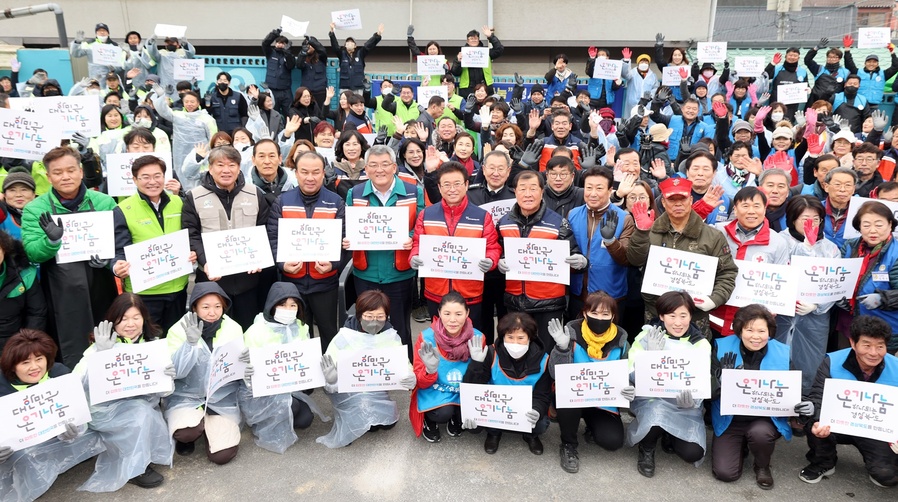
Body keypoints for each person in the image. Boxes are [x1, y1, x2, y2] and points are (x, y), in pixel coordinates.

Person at [21, 147, 118, 368]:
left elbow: (120, 241)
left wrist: (108, 262)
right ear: (48, 177)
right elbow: (32, 252)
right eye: (57, 172)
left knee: (107, 333)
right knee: (70, 342)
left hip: (100, 281)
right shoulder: (35, 209)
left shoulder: (104, 202)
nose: (65, 177)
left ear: (81, 171)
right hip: (61, 289)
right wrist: (52, 241)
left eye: (71, 170)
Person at [73, 294, 175, 491]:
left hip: (139, 405)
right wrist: (99, 356)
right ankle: (135, 469)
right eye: (124, 318)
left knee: (143, 412)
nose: (130, 324)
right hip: (104, 410)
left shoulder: (152, 344)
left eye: (136, 317)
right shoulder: (102, 344)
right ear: (114, 320)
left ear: (144, 318)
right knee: (140, 413)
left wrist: (168, 376)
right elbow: (78, 381)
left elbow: (165, 392)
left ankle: (138, 455)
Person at [710, 304, 814, 489]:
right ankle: (740, 444)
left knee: (760, 434)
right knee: (725, 473)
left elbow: (792, 391)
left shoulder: (782, 352)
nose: (755, 336)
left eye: (761, 330)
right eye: (749, 330)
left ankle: (762, 465)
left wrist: (803, 406)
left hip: (765, 420)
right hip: (730, 419)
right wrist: (719, 381)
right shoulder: (721, 346)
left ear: (770, 331)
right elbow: (708, 393)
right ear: (739, 330)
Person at [0, 329, 105, 501]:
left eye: (39, 359)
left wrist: (75, 429)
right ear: (13, 365)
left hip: (54, 438)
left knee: (101, 427)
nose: (35, 367)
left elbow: (77, 410)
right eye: (25, 362)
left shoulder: (60, 373)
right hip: (18, 449)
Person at [626, 177, 738, 337]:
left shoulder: (712, 236)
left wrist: (714, 299)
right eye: (672, 200)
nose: (678, 204)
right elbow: (634, 260)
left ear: (691, 200)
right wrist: (641, 233)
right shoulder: (651, 231)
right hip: (656, 314)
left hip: (695, 316)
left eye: (683, 199)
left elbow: (727, 273)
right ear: (663, 203)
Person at [181, 146, 273, 330]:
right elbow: (191, 234)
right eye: (220, 165)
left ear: (239, 168)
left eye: (232, 165)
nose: (226, 170)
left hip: (249, 281)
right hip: (211, 282)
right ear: (210, 167)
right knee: (213, 333)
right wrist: (205, 261)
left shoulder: (254, 194)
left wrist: (260, 256)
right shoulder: (195, 197)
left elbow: (265, 230)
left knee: (249, 332)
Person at [343, 146, 424, 353]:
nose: (380, 170)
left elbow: (423, 225)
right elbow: (349, 226)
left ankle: (404, 374)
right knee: (368, 326)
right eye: (373, 165)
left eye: (385, 164)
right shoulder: (356, 193)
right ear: (366, 169)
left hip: (400, 273)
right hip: (366, 272)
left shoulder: (414, 191)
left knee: (400, 328)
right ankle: (372, 372)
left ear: (394, 167)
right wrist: (347, 239)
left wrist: (412, 237)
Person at [799, 315, 898, 487]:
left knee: (886, 477)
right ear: (853, 343)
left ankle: (878, 465)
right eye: (867, 345)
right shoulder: (832, 361)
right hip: (838, 425)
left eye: (880, 346)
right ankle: (824, 462)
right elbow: (817, 396)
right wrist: (812, 410)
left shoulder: (896, 367)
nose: (874, 353)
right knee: (813, 420)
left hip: (875, 428)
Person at [623, 291, 711, 477]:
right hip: (651, 399)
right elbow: (631, 375)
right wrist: (650, 357)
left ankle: (669, 434)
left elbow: (702, 381)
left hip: (682, 406)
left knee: (692, 453)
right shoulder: (646, 337)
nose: (678, 322)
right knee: (656, 413)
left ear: (691, 316)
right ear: (661, 316)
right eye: (672, 316)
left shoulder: (701, 344)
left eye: (683, 315)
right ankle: (647, 448)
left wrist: (693, 401)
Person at [496, 171, 587, 350]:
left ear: (542, 191)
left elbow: (572, 254)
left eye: (533, 189)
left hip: (549, 303)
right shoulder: (504, 222)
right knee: (517, 350)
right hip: (515, 301)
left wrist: (579, 261)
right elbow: (499, 251)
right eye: (522, 189)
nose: (527, 194)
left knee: (547, 352)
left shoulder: (558, 223)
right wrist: (500, 262)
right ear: (515, 191)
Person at [317, 290, 416, 448]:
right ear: (359, 314)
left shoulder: (391, 337)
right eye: (369, 316)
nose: (374, 322)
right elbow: (327, 371)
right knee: (356, 418)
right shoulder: (344, 338)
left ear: (387, 316)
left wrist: (410, 376)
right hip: (347, 392)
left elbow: (403, 364)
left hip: (375, 388)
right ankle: (348, 417)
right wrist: (332, 380)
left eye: (380, 317)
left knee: (384, 424)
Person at [267, 151, 345, 350]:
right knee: (298, 333)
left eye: (316, 172)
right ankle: (305, 377)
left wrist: (333, 264)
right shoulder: (283, 202)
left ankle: (331, 373)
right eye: (304, 172)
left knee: (329, 331)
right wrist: (282, 264)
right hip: (293, 284)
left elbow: (344, 241)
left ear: (323, 173)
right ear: (296, 173)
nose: (310, 177)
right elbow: (273, 238)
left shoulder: (336, 202)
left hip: (325, 283)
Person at [240, 282, 329, 453]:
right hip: (261, 392)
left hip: (290, 387)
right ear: (272, 305)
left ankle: (280, 414)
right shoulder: (256, 331)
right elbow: (248, 370)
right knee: (291, 407)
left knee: (305, 420)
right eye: (282, 304)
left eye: (293, 305)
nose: (288, 309)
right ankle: (263, 419)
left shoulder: (302, 327)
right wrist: (247, 370)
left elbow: (305, 358)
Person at [410, 162, 500, 330]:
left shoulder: (482, 216)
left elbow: (493, 248)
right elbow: (418, 244)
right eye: (447, 185)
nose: (452, 189)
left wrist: (490, 260)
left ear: (466, 185)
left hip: (470, 294)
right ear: (439, 187)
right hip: (436, 292)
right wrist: (414, 256)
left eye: (457, 184)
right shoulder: (427, 214)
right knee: (440, 339)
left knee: (472, 340)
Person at [548, 292, 630, 473]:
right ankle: (568, 444)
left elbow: (627, 374)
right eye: (594, 313)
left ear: (613, 316)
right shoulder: (570, 332)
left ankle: (592, 426)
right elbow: (554, 373)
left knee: (612, 442)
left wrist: (630, 388)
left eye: (605, 314)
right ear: (585, 313)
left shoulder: (621, 339)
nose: (599, 318)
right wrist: (562, 348)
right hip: (573, 398)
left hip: (603, 400)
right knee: (566, 396)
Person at [111, 155, 194, 333]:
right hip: (145, 293)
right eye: (145, 177)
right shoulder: (123, 209)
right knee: (149, 340)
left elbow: (189, 236)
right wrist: (117, 265)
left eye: (157, 176)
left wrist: (192, 252)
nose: (152, 182)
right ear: (134, 179)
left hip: (178, 287)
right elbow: (119, 250)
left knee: (176, 339)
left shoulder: (178, 202)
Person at [164, 282, 243, 464]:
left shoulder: (234, 328)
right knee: (186, 432)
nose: (212, 312)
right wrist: (189, 344)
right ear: (194, 308)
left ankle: (210, 429)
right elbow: (176, 371)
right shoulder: (178, 330)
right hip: (186, 396)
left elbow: (237, 370)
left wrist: (246, 362)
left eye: (217, 307)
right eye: (205, 307)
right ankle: (193, 433)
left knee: (222, 455)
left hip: (222, 397)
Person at [777, 196, 842, 397]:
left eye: (816, 219)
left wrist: (816, 304)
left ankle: (804, 404)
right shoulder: (778, 241)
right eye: (805, 218)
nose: (811, 224)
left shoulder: (830, 248)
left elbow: (835, 284)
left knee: (810, 359)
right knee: (778, 356)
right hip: (781, 313)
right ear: (793, 218)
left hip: (815, 317)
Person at [462, 312, 551, 455]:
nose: (515, 343)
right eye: (510, 337)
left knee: (540, 424)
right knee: (473, 426)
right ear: (502, 337)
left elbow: (543, 395)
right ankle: (493, 433)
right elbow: (472, 389)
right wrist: (476, 364)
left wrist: (537, 410)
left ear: (530, 338)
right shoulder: (490, 353)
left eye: (521, 338)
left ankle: (530, 435)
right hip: (495, 409)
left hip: (525, 411)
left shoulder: (544, 360)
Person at [712, 187, 791, 336]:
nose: (751, 211)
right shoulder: (717, 231)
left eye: (757, 206)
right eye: (745, 206)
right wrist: (704, 207)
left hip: (751, 322)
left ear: (765, 208)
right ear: (735, 209)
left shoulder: (778, 242)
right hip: (715, 314)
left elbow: (781, 282)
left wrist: (774, 305)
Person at [410, 291, 483, 442]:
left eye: (458, 314)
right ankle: (429, 420)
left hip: (463, 389)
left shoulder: (478, 337)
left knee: (475, 422)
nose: (452, 320)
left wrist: (477, 364)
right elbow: (419, 382)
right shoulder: (426, 338)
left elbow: (483, 380)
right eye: (447, 313)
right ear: (439, 313)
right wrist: (430, 370)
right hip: (436, 388)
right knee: (443, 413)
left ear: (467, 313)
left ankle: (457, 417)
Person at [567, 167, 634, 318]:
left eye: (599, 188)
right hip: (579, 293)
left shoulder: (624, 219)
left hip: (610, 295)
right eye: (588, 188)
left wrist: (611, 242)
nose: (593, 193)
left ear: (610, 190)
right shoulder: (573, 214)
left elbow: (626, 259)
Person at [843, 201, 898, 353]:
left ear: (890, 225)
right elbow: (837, 278)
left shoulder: (896, 253)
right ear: (859, 227)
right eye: (866, 225)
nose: (872, 230)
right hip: (848, 324)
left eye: (879, 225)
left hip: (884, 328)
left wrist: (882, 298)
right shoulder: (850, 246)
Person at [152, 85, 218, 172]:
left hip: (201, 154)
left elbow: (213, 138)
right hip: (180, 155)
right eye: (186, 102)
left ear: (198, 103)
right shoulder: (177, 115)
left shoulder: (207, 119)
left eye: (192, 102)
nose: (189, 104)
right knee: (181, 175)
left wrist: (211, 154)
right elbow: (163, 111)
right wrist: (161, 96)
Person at [330, 22, 384, 93]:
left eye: (351, 42)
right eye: (347, 42)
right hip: (345, 87)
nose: (349, 43)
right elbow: (335, 46)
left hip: (358, 87)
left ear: (355, 46)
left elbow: (368, 45)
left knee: (358, 103)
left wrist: (378, 34)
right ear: (345, 45)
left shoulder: (360, 54)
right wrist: (332, 32)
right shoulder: (342, 54)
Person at [450, 26, 504, 97]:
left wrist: (491, 36)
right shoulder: (462, 54)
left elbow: (499, 49)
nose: (473, 40)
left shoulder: (485, 52)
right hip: (467, 89)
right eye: (471, 39)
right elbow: (455, 73)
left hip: (485, 87)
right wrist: (458, 62)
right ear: (467, 41)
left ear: (479, 40)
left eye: (475, 38)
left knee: (487, 107)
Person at [145, 35, 196, 99]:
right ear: (165, 45)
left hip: (181, 90)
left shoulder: (183, 57)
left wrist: (185, 44)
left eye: (172, 42)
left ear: (178, 45)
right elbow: (153, 53)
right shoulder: (161, 58)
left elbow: (190, 53)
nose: (170, 44)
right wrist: (151, 42)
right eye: (168, 42)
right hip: (166, 89)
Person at [262, 28, 296, 118]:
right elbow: (265, 43)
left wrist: (287, 53)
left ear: (286, 45)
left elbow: (291, 66)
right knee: (273, 114)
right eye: (278, 42)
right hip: (272, 90)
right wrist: (275, 33)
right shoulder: (270, 53)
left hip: (285, 91)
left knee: (289, 114)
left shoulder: (289, 56)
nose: (279, 44)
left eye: (282, 43)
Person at [821, 166, 857, 249]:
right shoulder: (816, 209)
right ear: (826, 187)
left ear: (853, 189)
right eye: (837, 184)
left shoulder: (860, 212)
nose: (842, 189)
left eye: (848, 185)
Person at [0, 167, 37, 241]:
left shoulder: (45, 214)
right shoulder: (1, 215)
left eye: (24, 190)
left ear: (34, 194)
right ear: (4, 195)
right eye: (12, 190)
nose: (18, 195)